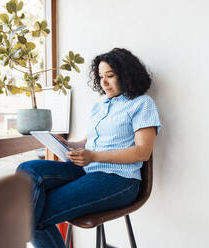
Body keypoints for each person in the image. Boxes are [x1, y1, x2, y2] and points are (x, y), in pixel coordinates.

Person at [16, 48, 161, 248]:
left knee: (37, 215)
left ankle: (15, 234)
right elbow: (89, 142)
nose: (104, 82)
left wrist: (93, 156)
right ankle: (19, 231)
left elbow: (142, 152)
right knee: (27, 170)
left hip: (119, 179)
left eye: (110, 75)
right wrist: (67, 144)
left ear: (126, 75)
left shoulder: (142, 104)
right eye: (101, 77)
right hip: (85, 170)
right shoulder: (99, 107)